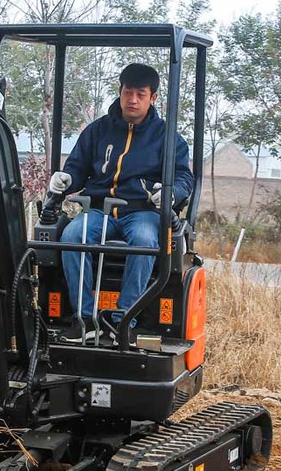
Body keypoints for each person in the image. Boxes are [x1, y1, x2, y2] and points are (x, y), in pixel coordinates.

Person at [48, 63, 193, 342]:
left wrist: (171, 194)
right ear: (120, 91)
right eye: (128, 92)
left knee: (144, 240)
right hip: (98, 210)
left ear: (153, 98)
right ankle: (85, 320)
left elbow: (184, 177)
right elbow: (77, 169)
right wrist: (66, 178)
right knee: (72, 235)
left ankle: (123, 321)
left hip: (143, 211)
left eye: (141, 94)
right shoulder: (97, 131)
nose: (133, 100)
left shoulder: (168, 138)